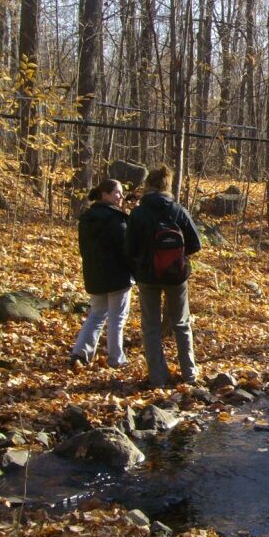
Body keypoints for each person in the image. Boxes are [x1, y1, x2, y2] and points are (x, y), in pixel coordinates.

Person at [126, 165, 203, 386]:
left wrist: (140, 262)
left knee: (150, 327)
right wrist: (177, 256)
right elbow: (196, 244)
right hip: (176, 275)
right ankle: (189, 374)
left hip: (147, 276)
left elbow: (129, 248)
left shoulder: (138, 213)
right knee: (181, 324)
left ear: (148, 185)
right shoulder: (178, 210)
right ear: (167, 186)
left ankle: (157, 378)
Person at [71, 179, 132, 368]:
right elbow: (127, 248)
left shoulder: (87, 218)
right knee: (117, 318)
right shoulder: (116, 219)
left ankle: (80, 353)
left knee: (96, 315)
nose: (121, 196)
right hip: (118, 276)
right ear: (105, 194)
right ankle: (116, 359)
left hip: (94, 274)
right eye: (117, 192)